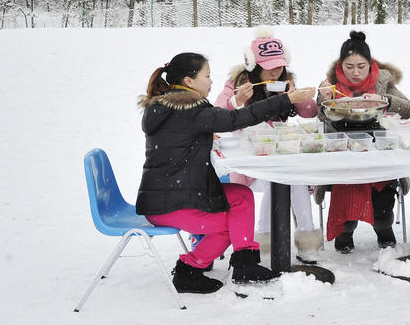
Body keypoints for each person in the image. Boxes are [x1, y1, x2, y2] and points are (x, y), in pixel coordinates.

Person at [136, 52, 317, 294]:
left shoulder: (172, 107)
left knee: (241, 195)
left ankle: (245, 265)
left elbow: (222, 119)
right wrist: (287, 99)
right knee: (231, 225)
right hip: (170, 204)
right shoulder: (188, 111)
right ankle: (188, 271)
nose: (211, 81)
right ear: (189, 82)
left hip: (177, 192)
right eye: (207, 76)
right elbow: (237, 119)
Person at [214, 26, 322, 262]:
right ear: (254, 66)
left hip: (282, 152)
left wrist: (300, 98)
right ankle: (268, 239)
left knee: (293, 178)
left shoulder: (286, 82)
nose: (275, 72)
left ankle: (301, 240)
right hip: (249, 161)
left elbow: (310, 112)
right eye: (268, 67)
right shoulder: (238, 83)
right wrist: (237, 100)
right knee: (280, 177)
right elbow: (218, 115)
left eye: (279, 66)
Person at [317, 30, 410, 253]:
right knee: (347, 189)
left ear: (370, 64)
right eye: (349, 67)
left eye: (361, 66)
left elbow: (407, 109)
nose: (355, 72)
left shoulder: (382, 81)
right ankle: (346, 230)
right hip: (343, 151)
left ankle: (383, 227)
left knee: (382, 203)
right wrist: (324, 101)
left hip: (378, 150)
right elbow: (320, 118)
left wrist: (385, 100)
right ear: (340, 66)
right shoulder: (330, 84)